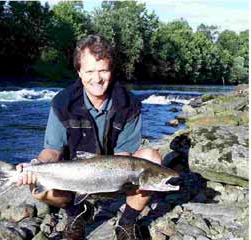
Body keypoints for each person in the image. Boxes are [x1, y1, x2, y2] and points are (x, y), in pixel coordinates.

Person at [16, 34, 162, 240]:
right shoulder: (62, 102)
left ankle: (127, 222)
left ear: (111, 70)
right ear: (79, 72)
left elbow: (124, 153)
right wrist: (33, 167)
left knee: (152, 159)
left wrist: (121, 180)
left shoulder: (129, 104)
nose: (97, 78)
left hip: (114, 177)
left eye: (103, 70)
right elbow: (52, 151)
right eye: (90, 71)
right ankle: (77, 214)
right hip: (74, 178)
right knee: (37, 190)